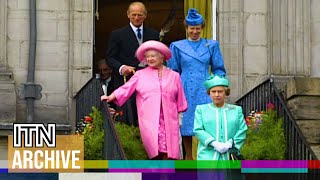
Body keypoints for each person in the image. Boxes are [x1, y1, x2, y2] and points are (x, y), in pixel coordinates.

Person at [101, 40, 187, 160]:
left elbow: (180, 99)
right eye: (147, 57)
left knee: (170, 153)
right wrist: (111, 97)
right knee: (155, 152)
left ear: (162, 57)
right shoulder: (140, 75)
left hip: (170, 119)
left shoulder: (174, 76)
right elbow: (126, 88)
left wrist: (180, 117)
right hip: (150, 120)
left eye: (153, 56)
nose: (150, 59)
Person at [167, 8, 226, 160]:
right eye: (192, 28)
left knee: (207, 121)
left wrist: (218, 86)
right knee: (186, 121)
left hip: (205, 88)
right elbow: (173, 71)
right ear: (186, 28)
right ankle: (189, 157)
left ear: (202, 29)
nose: (195, 32)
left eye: (198, 29)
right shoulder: (177, 46)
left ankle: (206, 156)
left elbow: (219, 69)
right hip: (185, 87)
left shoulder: (211, 45)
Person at [106, 1, 160, 126]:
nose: (136, 18)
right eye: (134, 14)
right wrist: (122, 67)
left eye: (140, 15)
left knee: (148, 118)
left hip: (148, 83)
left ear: (145, 15)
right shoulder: (117, 34)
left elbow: (160, 57)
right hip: (125, 82)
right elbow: (110, 58)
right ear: (128, 15)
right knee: (126, 118)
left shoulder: (154, 34)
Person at [194, 74, 247, 160]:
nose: (217, 94)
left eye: (220, 91)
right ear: (209, 93)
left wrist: (230, 144)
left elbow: (242, 129)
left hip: (230, 156)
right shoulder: (201, 109)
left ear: (226, 92)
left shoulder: (236, 110)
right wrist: (214, 143)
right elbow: (198, 130)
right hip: (207, 156)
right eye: (213, 91)